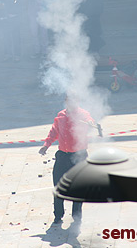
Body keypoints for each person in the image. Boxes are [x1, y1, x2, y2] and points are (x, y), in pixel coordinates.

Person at [39, 94, 96, 231]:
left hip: (79, 156)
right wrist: (46, 145)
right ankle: (58, 216)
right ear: (66, 102)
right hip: (62, 156)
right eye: (69, 102)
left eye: (74, 101)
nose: (71, 104)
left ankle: (77, 217)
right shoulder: (61, 115)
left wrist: (91, 123)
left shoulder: (83, 114)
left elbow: (90, 121)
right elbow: (54, 131)